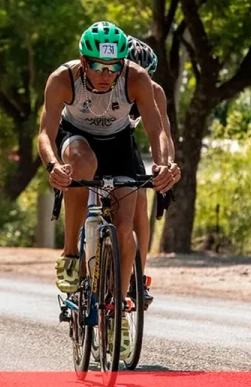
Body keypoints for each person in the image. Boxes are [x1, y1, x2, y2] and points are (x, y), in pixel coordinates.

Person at [38, 21, 179, 356]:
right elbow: (45, 132)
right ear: (84, 62)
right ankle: (71, 254)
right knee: (81, 164)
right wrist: (53, 166)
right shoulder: (63, 78)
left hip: (118, 144)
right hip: (76, 139)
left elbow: (160, 131)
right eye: (98, 67)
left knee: (126, 225)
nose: (106, 74)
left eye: (114, 67)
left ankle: (115, 310)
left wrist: (164, 165)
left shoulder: (136, 78)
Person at [125, 35, 180, 308]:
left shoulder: (154, 91)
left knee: (138, 199)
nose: (139, 82)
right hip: (94, 140)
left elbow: (164, 134)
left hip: (124, 142)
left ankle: (137, 274)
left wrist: (166, 165)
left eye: (145, 76)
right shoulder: (105, 85)